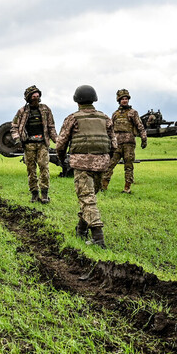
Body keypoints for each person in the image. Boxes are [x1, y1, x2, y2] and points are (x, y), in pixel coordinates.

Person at [55, 84, 116, 248]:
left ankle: (98, 238)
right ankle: (80, 231)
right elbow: (114, 144)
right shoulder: (105, 118)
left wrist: (62, 160)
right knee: (88, 197)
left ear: (76, 100)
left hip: (82, 165)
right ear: (94, 99)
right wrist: (105, 160)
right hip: (102, 165)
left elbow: (60, 144)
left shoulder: (72, 118)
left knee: (88, 200)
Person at [10, 85, 58, 203]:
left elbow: (51, 127)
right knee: (31, 170)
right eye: (33, 95)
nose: (36, 96)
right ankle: (34, 194)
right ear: (28, 97)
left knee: (44, 168)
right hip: (28, 145)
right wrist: (17, 139)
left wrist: (58, 141)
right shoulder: (22, 111)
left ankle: (45, 194)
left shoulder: (46, 109)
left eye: (37, 94)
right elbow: (14, 127)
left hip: (42, 144)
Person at [101, 89, 147, 194]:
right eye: (122, 99)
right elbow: (110, 128)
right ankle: (103, 186)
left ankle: (127, 188)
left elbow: (140, 126)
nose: (124, 101)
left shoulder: (133, 113)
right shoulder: (115, 114)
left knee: (128, 166)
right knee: (110, 165)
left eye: (126, 99)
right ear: (119, 100)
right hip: (116, 144)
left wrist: (144, 139)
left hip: (129, 144)